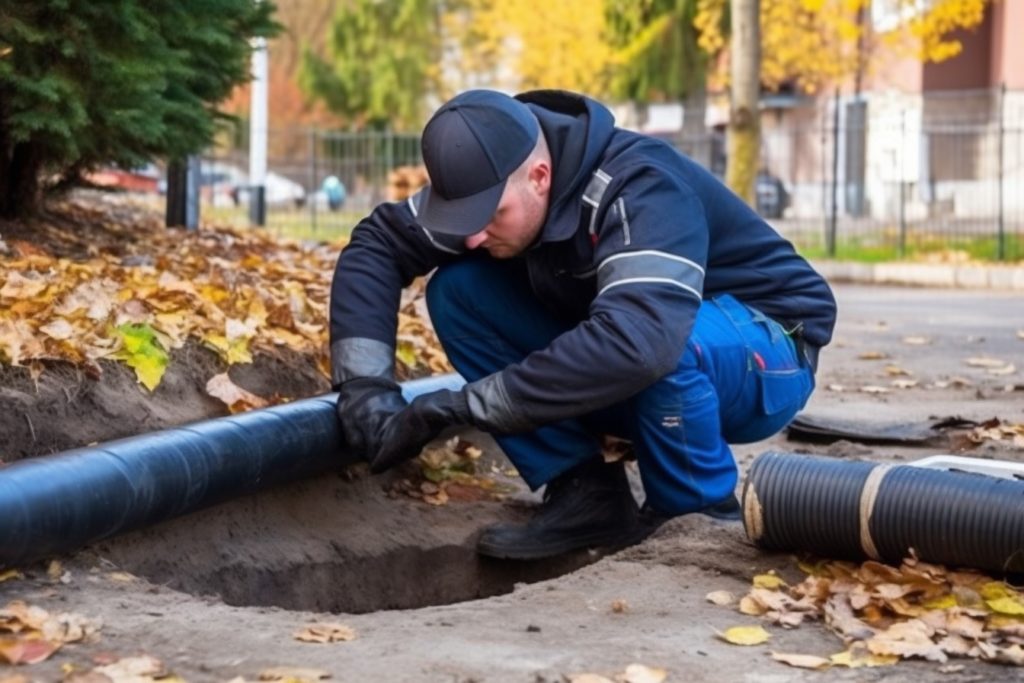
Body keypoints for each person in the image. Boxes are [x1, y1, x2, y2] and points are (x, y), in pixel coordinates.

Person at [329, 89, 837, 560]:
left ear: (540, 177)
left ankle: (696, 514)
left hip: (767, 351)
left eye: (491, 216)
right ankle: (586, 494)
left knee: (664, 340)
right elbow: (378, 244)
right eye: (463, 219)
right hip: (647, 352)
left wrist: (465, 406)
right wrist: (365, 388)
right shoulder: (493, 185)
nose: (473, 236)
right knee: (459, 289)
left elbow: (642, 343)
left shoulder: (640, 186)